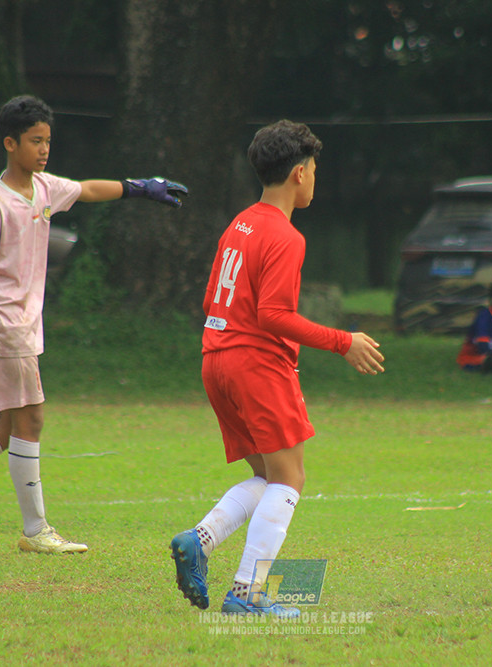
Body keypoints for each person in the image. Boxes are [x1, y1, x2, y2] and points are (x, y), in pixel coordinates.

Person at [0, 95, 187, 555]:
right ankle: (35, 531)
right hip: (4, 325)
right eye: (35, 141)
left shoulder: (43, 188)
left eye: (48, 140)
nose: (44, 149)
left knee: (8, 425)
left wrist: (138, 187)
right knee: (30, 418)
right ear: (10, 143)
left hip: (22, 327)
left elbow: (88, 189)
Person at [168, 120, 385, 618]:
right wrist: (343, 341)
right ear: (300, 174)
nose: (315, 179)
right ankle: (247, 593)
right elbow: (273, 316)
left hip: (216, 358)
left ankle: (199, 540)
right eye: (314, 170)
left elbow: (210, 298)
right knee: (290, 479)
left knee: (268, 476)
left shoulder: (239, 223)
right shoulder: (285, 236)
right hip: (254, 364)